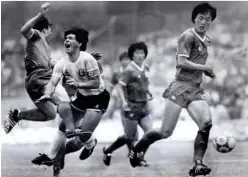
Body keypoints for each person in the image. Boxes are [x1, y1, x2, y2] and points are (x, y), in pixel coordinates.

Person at [129, 3, 217, 177]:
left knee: (206, 123)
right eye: (200, 17)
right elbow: (181, 62)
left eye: (208, 19)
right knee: (165, 132)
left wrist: (205, 72)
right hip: (180, 87)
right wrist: (204, 67)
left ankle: (197, 164)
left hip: (195, 90)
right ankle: (138, 147)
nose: (203, 22)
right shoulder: (187, 36)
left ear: (211, 22)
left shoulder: (207, 40)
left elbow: (195, 65)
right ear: (194, 18)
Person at [36, 27, 110, 175]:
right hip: (80, 97)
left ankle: (88, 143)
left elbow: (95, 83)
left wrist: (79, 85)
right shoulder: (60, 64)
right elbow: (53, 83)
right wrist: (47, 94)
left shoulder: (87, 59)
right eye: (66, 38)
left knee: (83, 136)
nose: (67, 40)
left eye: (71, 38)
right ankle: (55, 157)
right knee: (64, 127)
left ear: (80, 43)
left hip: (98, 98)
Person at [3, 3, 71, 163]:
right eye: (50, 30)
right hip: (41, 80)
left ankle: (17, 116)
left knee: (51, 114)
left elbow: (50, 63)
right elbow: (24, 30)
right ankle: (60, 149)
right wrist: (40, 15)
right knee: (65, 103)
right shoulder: (36, 36)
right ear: (44, 29)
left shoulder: (44, 47)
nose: (51, 33)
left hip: (32, 83)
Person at [103, 42, 153, 167]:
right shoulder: (129, 70)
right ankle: (108, 150)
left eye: (142, 53)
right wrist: (124, 101)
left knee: (150, 134)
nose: (140, 55)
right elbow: (120, 86)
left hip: (144, 106)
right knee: (129, 137)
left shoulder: (146, 68)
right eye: (137, 53)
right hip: (132, 106)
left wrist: (148, 92)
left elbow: (143, 84)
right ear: (132, 55)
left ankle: (139, 157)